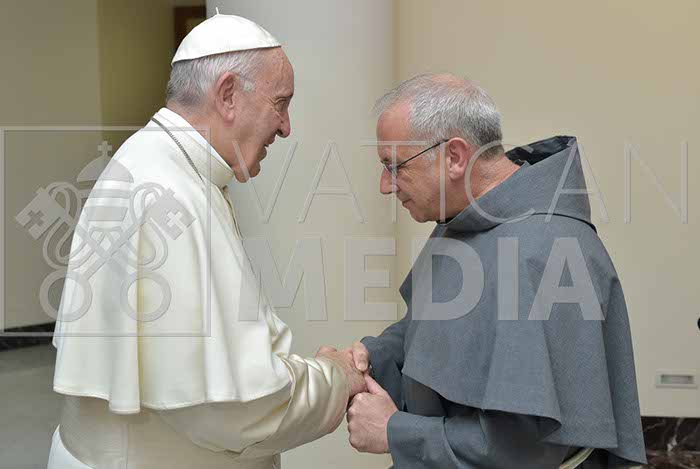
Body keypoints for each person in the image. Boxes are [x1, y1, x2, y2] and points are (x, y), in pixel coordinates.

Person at [47, 13, 365, 469]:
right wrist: (334, 377)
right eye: (280, 103)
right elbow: (235, 412)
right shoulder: (172, 193)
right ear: (228, 94)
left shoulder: (151, 161)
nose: (286, 126)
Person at [343, 74, 648, 468]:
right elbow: (435, 329)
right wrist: (367, 358)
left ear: (454, 156)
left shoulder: (546, 250)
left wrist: (394, 432)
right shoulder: (467, 219)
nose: (387, 185)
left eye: (395, 166)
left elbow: (527, 448)